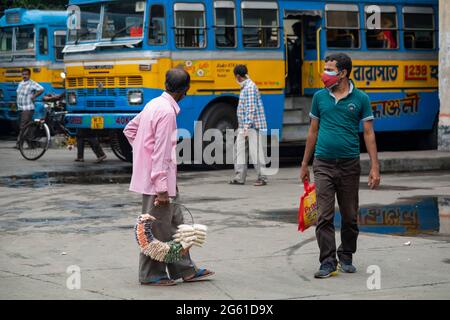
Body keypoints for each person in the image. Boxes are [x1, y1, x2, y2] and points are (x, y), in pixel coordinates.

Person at [123, 68, 214, 286]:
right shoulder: (166, 112)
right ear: (185, 90)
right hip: (159, 183)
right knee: (154, 228)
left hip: (160, 178)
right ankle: (150, 274)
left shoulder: (153, 104)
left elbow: (129, 130)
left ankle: (185, 269)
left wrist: (142, 155)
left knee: (176, 225)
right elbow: (161, 152)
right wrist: (161, 187)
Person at [299, 53, 380, 279]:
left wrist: (375, 167)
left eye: (330, 70)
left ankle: (346, 255)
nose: (325, 74)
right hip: (323, 163)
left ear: (343, 73)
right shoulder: (319, 98)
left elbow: (369, 133)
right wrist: (305, 163)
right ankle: (327, 261)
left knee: (350, 215)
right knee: (323, 215)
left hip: (349, 165)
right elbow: (313, 131)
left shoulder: (361, 99)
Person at [229, 64, 269, 186]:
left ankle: (262, 177)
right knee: (239, 150)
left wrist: (246, 127)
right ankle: (239, 177)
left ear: (237, 76)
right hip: (245, 126)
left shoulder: (250, 87)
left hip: (251, 126)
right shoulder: (246, 86)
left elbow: (250, 109)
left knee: (255, 152)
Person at [15, 68, 44, 149]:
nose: (24, 76)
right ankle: (31, 145)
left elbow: (41, 89)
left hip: (28, 108)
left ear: (29, 75)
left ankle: (19, 144)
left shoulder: (32, 83)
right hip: (21, 108)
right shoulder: (20, 83)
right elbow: (18, 94)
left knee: (23, 126)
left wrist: (34, 96)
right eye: (23, 74)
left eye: (26, 74)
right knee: (29, 127)